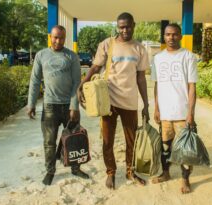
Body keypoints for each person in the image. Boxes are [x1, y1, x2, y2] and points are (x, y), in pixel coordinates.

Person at [77, 12, 149, 189]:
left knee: (132, 140)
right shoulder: (107, 44)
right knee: (107, 141)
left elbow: (141, 78)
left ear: (134, 25)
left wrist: (146, 104)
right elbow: (95, 67)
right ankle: (111, 172)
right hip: (107, 101)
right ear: (117, 26)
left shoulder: (140, 49)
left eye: (128, 26)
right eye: (121, 27)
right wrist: (81, 85)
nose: (125, 30)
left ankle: (130, 171)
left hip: (129, 101)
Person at [27, 25, 89, 186]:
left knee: (75, 139)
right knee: (49, 142)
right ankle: (50, 171)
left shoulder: (72, 56)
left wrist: (74, 106)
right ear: (50, 37)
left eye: (61, 38)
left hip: (69, 106)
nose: (58, 41)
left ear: (65, 37)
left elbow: (77, 82)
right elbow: (34, 81)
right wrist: (31, 103)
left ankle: (75, 168)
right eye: (55, 37)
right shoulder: (41, 55)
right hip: (49, 106)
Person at [150, 23, 198, 194]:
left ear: (180, 36)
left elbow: (192, 87)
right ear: (164, 36)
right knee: (165, 147)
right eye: (168, 34)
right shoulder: (157, 58)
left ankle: (185, 179)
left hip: (182, 114)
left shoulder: (189, 57)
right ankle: (165, 173)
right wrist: (156, 109)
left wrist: (190, 114)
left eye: (175, 34)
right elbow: (156, 86)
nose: (171, 37)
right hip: (165, 114)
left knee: (185, 149)